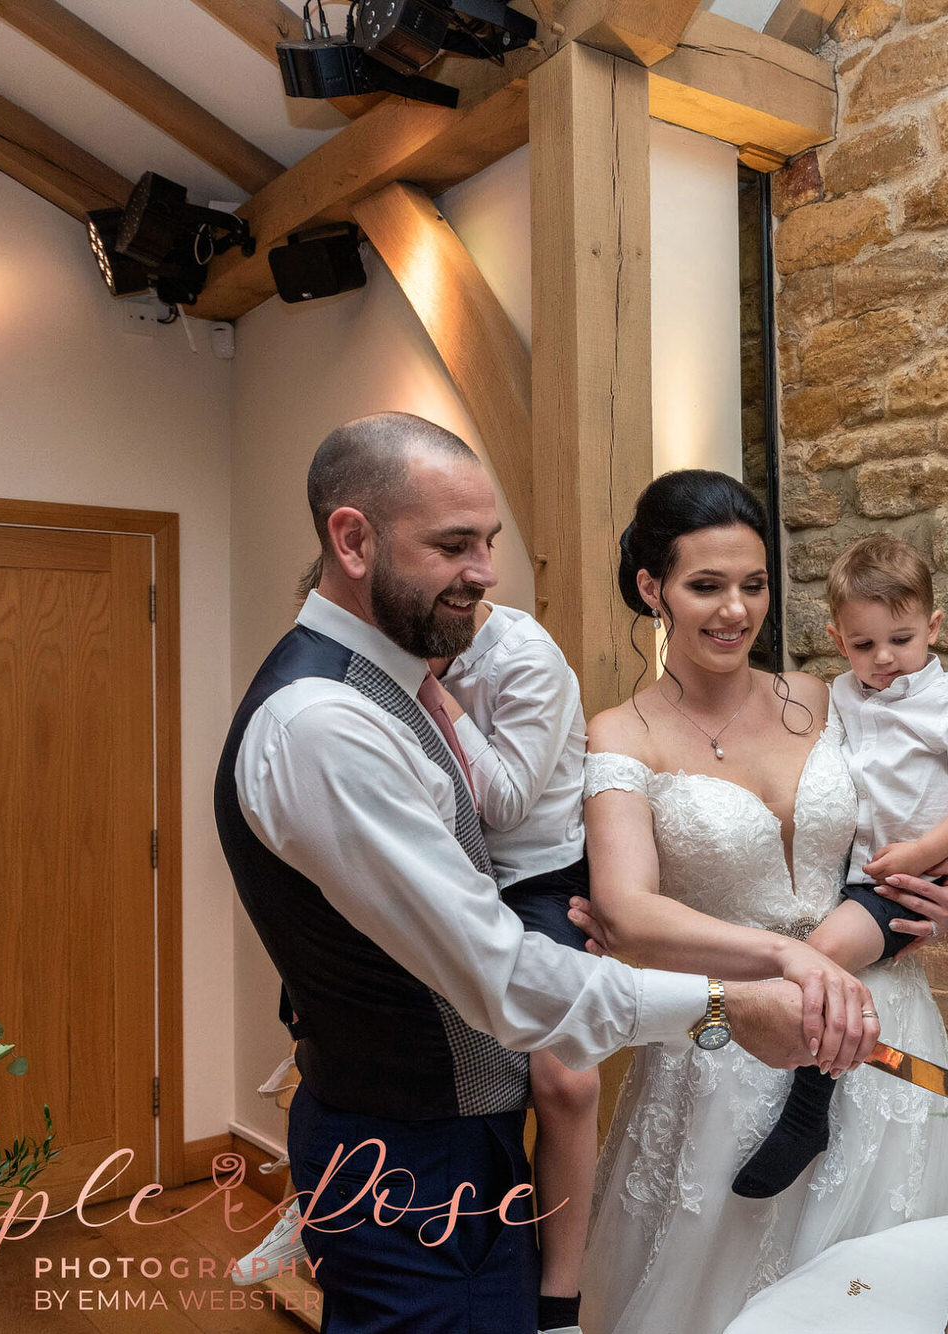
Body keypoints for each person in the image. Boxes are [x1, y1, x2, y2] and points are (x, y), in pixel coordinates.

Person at [214, 415, 854, 1334]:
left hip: (458, 1139)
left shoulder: (392, 686)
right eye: (452, 545)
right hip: (405, 1155)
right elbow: (504, 976)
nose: (484, 572)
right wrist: (726, 1009)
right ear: (351, 540)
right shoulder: (325, 724)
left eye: (489, 543)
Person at [569, 470, 948, 1334]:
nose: (734, 611)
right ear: (653, 589)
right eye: (706, 586)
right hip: (729, 1038)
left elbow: (913, 816)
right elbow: (626, 908)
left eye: (753, 585)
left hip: (882, 1022)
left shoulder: (824, 696)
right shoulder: (622, 733)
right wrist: (788, 959)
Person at [732, 533, 948, 1198]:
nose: (884, 659)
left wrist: (925, 853)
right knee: (816, 945)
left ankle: (807, 1114)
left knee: (821, 953)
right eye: (864, 645)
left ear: (934, 627)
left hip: (906, 882)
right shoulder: (841, 695)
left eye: (901, 639)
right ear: (838, 639)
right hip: (850, 876)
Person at [422, 603, 599, 1334]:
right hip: (456, 873)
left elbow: (504, 802)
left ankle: (560, 1304)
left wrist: (431, 693)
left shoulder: (525, 659)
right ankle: (314, 1207)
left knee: (564, 1079)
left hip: (540, 879)